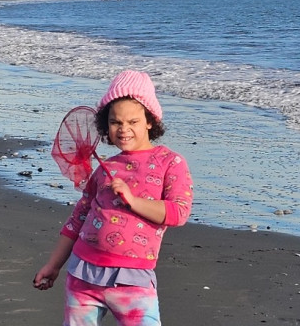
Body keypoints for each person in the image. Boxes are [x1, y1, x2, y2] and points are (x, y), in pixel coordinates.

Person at [34, 70, 193, 326]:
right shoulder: (105, 169)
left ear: (150, 121)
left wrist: (133, 200)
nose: (123, 129)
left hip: (133, 278)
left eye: (133, 121)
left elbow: (178, 212)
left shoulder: (170, 162)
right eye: (115, 122)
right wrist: (53, 266)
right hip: (83, 273)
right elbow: (77, 220)